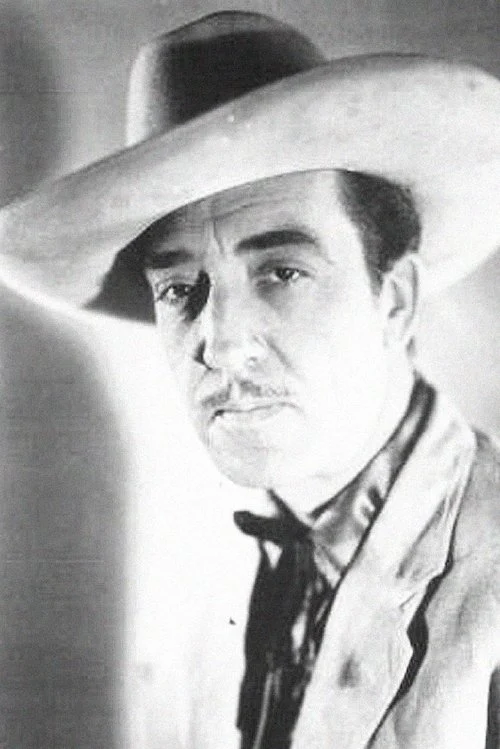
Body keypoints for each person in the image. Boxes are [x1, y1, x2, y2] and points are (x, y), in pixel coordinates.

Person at [0, 10, 499, 749]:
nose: (222, 345)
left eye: (281, 272)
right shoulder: (205, 569)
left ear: (394, 300)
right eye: (179, 288)